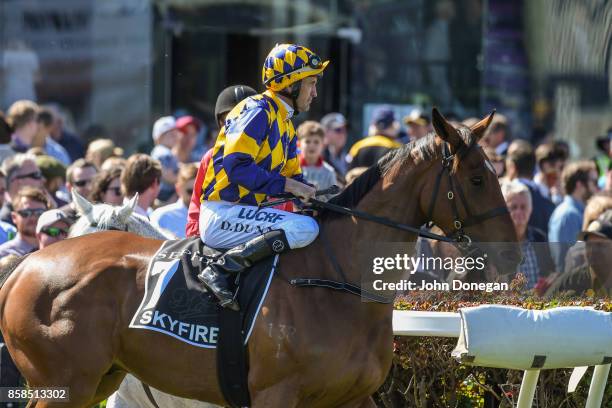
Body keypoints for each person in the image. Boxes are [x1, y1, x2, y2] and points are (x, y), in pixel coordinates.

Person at [197, 43, 328, 310]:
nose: (314, 92)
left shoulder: (287, 124)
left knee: (314, 223)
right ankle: (221, 269)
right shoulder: (257, 110)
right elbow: (236, 166)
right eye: (311, 83)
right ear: (290, 83)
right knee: (305, 228)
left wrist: (319, 197)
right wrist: (287, 185)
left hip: (243, 214)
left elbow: (294, 179)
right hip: (222, 214)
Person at [185, 84, 258, 238]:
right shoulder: (211, 157)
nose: (238, 126)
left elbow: (283, 204)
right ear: (220, 124)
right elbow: (198, 204)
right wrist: (194, 235)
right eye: (229, 121)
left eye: (245, 120)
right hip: (221, 235)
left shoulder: (274, 154)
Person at [500, 180, 554, 289]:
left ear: (531, 209)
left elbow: (550, 272)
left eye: (523, 207)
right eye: (514, 207)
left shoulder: (540, 238)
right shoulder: (496, 243)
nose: (519, 212)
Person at [549, 160, 599, 271]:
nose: (597, 186)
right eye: (594, 182)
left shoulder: (577, 212)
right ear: (579, 185)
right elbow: (566, 262)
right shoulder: (568, 215)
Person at [0, 186, 51, 257]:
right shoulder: (3, 254)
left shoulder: (56, 247)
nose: (33, 218)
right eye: (26, 213)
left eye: (39, 213)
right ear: (14, 217)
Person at [151, 163, 197, 238]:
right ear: (178, 189)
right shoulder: (161, 216)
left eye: (201, 192)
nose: (195, 197)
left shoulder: (211, 218)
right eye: (190, 191)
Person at [0, 154, 45, 225]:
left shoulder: (45, 206)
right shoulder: (5, 219)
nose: (43, 180)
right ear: (18, 180)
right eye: (36, 175)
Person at [296, 121, 337, 197]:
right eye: (307, 142)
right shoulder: (293, 168)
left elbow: (333, 199)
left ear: (323, 145)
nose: (312, 145)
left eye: (316, 142)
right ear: (299, 144)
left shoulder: (329, 172)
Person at [150, 116, 180, 202]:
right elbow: (167, 176)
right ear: (159, 137)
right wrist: (185, 179)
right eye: (170, 134)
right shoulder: (162, 152)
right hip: (164, 196)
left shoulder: (167, 152)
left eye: (175, 133)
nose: (174, 136)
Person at [320, 112, 348, 176]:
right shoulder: (315, 157)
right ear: (325, 132)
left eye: (345, 129)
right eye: (338, 130)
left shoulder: (350, 157)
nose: (343, 133)